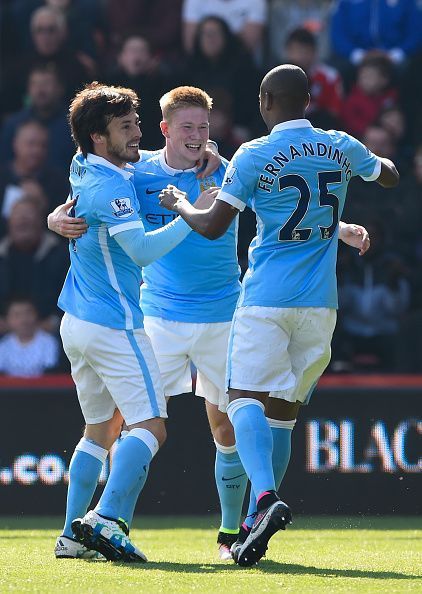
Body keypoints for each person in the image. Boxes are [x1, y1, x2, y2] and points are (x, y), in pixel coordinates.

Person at [49, 84, 372, 562]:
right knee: (124, 422)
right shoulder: (136, 173)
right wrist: (56, 218)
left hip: (223, 313)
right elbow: (90, 200)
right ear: (165, 130)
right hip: (156, 313)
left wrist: (339, 227)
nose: (198, 135)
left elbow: (281, 205)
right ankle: (99, 524)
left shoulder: (229, 169)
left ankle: (227, 534)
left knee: (226, 427)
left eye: (204, 126)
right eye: (187, 127)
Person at [158, 64, 399, 566]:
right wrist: (364, 176)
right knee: (284, 415)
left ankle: (264, 500)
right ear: (307, 101)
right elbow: (388, 175)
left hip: (267, 300)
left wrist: (180, 202)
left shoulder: (254, 154)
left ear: (266, 100)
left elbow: (212, 224)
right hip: (322, 305)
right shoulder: (339, 144)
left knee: (242, 395)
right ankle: (251, 524)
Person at [54, 82, 209, 562]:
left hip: (77, 320)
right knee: (151, 426)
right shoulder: (112, 185)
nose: (137, 133)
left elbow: (75, 207)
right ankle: (107, 520)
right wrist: (190, 215)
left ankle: (70, 536)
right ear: (99, 136)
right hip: (114, 324)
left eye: (138, 123)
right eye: (126, 127)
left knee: (97, 430)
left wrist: (52, 218)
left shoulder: (85, 165)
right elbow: (140, 250)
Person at [0, 298, 59, 377]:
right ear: (7, 319)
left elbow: (51, 372)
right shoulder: (3, 345)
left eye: (28, 313)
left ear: (36, 315)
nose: (23, 320)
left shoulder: (49, 342)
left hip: (43, 388)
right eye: (17, 315)